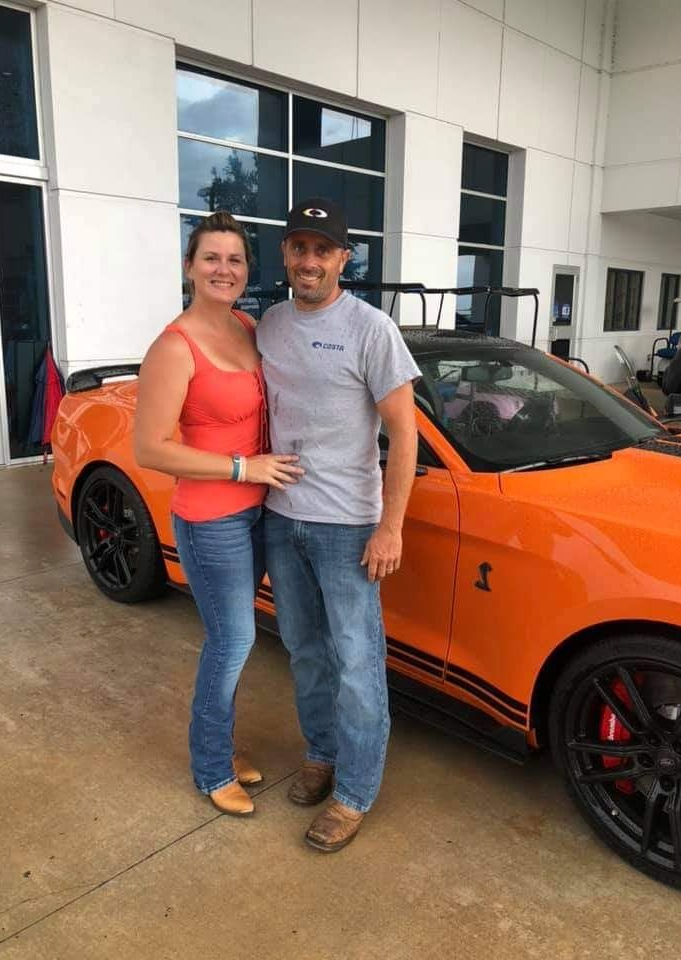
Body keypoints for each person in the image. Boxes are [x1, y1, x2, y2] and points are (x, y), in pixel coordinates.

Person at [257, 197, 421, 852]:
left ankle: (354, 791)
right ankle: (321, 752)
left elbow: (404, 434)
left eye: (322, 249)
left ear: (343, 259)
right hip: (281, 519)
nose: (309, 260)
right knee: (304, 651)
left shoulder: (371, 328)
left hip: (348, 528)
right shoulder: (268, 324)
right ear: (286, 256)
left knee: (357, 662)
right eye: (299, 246)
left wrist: (392, 526)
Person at [134, 211, 302, 817]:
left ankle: (222, 749)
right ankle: (210, 768)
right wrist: (242, 468)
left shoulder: (247, 327)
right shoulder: (173, 346)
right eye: (211, 258)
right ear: (189, 267)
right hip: (212, 519)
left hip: (264, 512)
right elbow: (150, 447)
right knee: (232, 641)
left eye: (234, 260)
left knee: (236, 639)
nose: (223, 269)